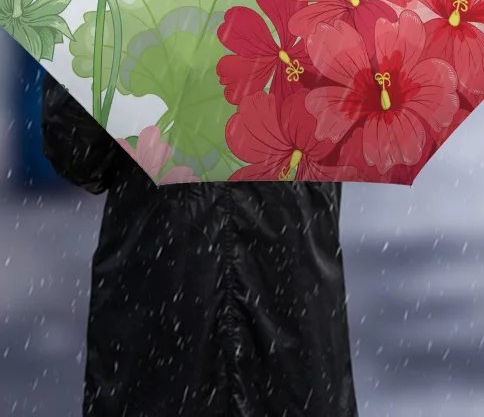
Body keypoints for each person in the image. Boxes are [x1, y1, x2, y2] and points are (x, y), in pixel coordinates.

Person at [40, 70, 359, 417]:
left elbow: (75, 152)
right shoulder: (323, 21)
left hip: (160, 291)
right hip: (293, 299)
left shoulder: (123, 17)